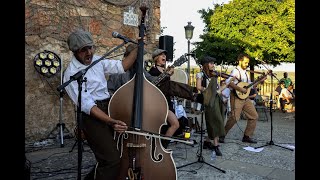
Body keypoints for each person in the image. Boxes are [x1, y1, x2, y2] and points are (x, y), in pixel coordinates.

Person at [63, 29, 138, 180]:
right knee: (112, 159)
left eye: (90, 47)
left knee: (110, 157)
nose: (89, 52)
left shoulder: (97, 61)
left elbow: (122, 66)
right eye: (83, 50)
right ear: (75, 51)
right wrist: (111, 121)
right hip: (92, 117)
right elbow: (88, 106)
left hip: (108, 107)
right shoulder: (71, 74)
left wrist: (138, 46)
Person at [148, 48, 199, 148]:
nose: (164, 57)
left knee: (172, 125)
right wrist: (166, 75)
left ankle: (162, 146)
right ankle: (162, 147)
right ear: (156, 58)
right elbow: (154, 84)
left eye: (165, 55)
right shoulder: (153, 71)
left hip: (167, 100)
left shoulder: (165, 70)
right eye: (161, 55)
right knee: (174, 124)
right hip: (158, 102)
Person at [219, 53, 259, 144]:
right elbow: (228, 82)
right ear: (240, 61)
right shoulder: (235, 71)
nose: (247, 64)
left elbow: (249, 86)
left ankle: (247, 136)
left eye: (247, 63)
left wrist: (259, 81)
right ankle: (222, 134)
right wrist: (239, 88)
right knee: (234, 117)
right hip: (236, 96)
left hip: (245, 98)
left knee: (254, 116)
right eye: (245, 62)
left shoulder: (246, 73)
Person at [195, 56, 226, 156]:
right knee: (215, 120)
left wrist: (224, 86)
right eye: (211, 63)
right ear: (206, 64)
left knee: (217, 118)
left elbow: (217, 88)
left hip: (216, 99)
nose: (213, 65)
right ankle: (216, 145)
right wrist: (208, 91)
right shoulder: (200, 74)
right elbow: (199, 87)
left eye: (213, 63)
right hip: (208, 99)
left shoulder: (214, 75)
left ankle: (207, 141)